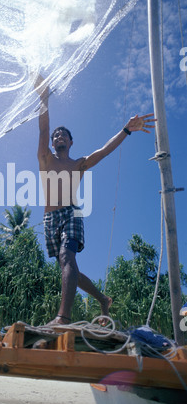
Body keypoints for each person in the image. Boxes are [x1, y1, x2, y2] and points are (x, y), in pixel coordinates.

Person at [35, 75, 156, 326]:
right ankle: (103, 299)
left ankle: (63, 318)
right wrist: (43, 98)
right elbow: (44, 128)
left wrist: (126, 129)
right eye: (56, 135)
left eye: (63, 135)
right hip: (49, 218)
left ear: (70, 142)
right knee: (70, 269)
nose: (58, 136)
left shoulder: (79, 164)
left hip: (70, 214)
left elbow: (104, 150)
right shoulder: (45, 158)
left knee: (67, 259)